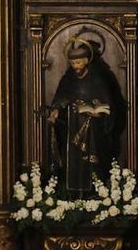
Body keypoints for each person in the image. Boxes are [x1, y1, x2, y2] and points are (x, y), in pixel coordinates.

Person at [47, 33, 127, 197]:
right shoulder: (68, 78)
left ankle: (95, 193)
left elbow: (109, 104)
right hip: (72, 127)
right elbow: (61, 97)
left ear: (86, 61)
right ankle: (72, 194)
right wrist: (56, 109)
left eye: (78, 62)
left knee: (93, 162)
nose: (75, 66)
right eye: (72, 63)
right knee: (73, 162)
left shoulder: (98, 79)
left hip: (94, 131)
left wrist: (100, 113)